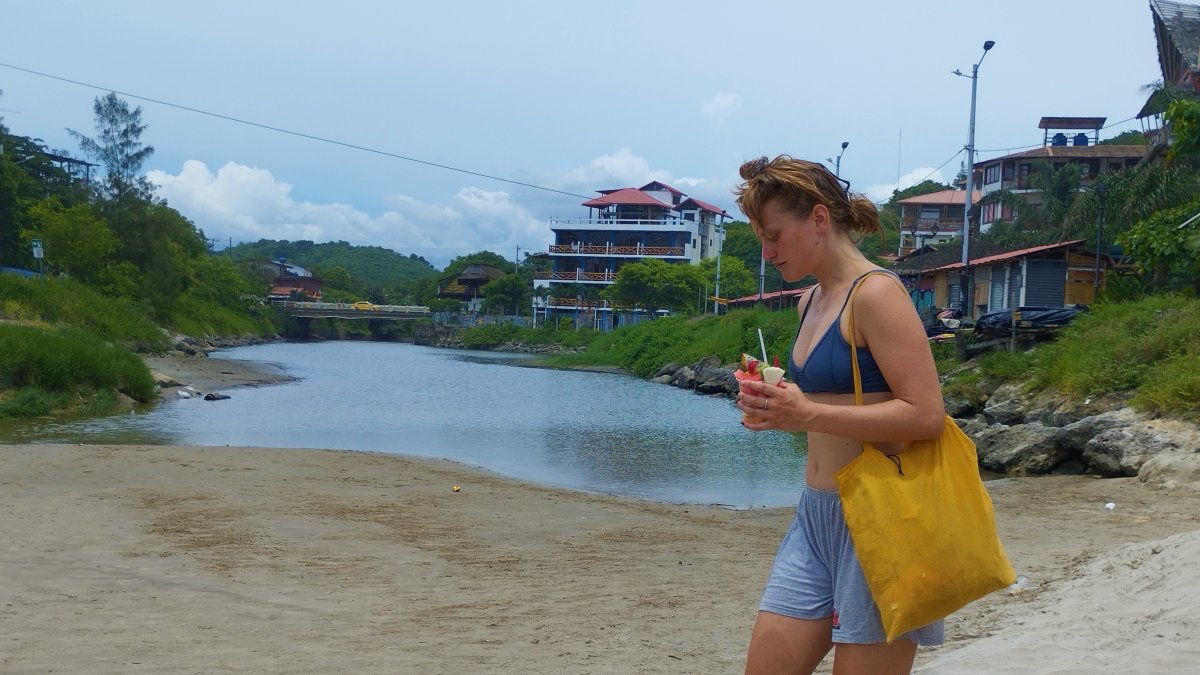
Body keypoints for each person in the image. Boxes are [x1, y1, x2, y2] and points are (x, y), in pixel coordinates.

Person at [733, 155, 946, 675]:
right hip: (815, 517)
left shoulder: (877, 293)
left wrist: (808, 414)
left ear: (820, 220)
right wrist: (776, 406)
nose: (767, 251)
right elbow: (820, 408)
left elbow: (926, 415)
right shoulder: (810, 301)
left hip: (879, 519)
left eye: (775, 235)